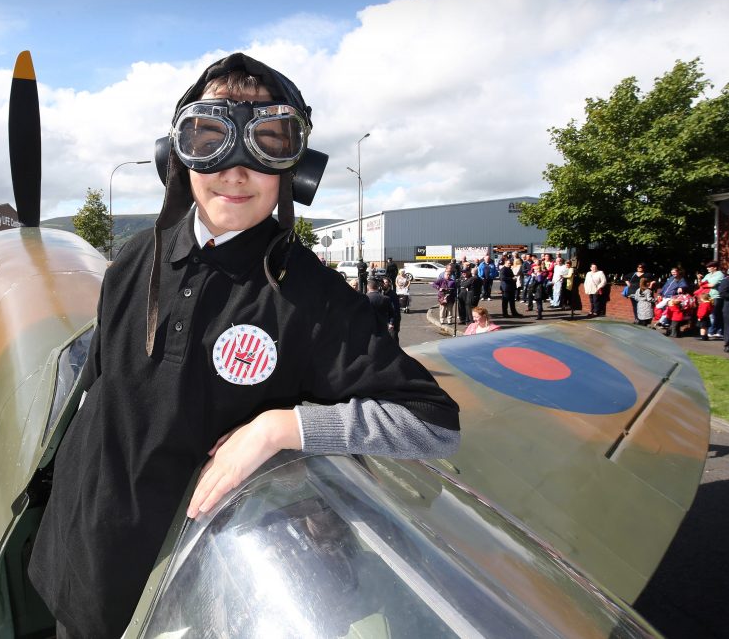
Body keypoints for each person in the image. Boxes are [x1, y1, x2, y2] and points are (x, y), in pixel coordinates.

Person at [28, 53, 460, 638]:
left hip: (191, 594)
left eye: (265, 146)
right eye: (210, 140)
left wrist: (283, 428)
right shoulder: (132, 260)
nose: (235, 172)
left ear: (296, 171)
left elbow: (432, 424)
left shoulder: (312, 297)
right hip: (79, 562)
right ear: (177, 155)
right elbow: (105, 397)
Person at [703, 260, 726, 338]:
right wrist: (703, 282)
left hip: (716, 296)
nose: (708, 268)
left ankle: (712, 331)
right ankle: (718, 331)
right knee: (712, 314)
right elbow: (702, 284)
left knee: (713, 314)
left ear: (715, 268)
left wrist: (705, 284)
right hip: (708, 296)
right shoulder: (708, 275)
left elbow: (712, 284)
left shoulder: (720, 275)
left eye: (709, 267)